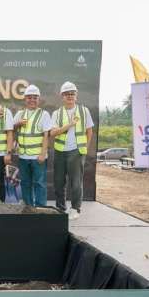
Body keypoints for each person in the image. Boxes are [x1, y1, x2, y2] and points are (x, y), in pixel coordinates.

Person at [49, 81, 94, 220]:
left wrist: (85, 148)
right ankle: (60, 208)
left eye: (72, 94)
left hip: (76, 151)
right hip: (60, 151)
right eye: (66, 94)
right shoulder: (57, 113)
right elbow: (53, 133)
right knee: (58, 182)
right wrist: (69, 125)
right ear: (62, 96)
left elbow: (89, 131)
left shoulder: (84, 111)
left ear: (76, 96)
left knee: (76, 182)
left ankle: (75, 208)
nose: (69, 96)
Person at [14, 84, 51, 207]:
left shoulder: (44, 114)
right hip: (23, 157)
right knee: (25, 183)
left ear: (38, 99)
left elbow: (46, 135)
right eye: (29, 97)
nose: (32, 100)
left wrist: (42, 154)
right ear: (25, 99)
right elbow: (11, 130)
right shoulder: (20, 114)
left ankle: (40, 208)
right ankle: (28, 207)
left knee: (40, 183)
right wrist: (17, 123)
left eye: (35, 97)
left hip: (38, 158)